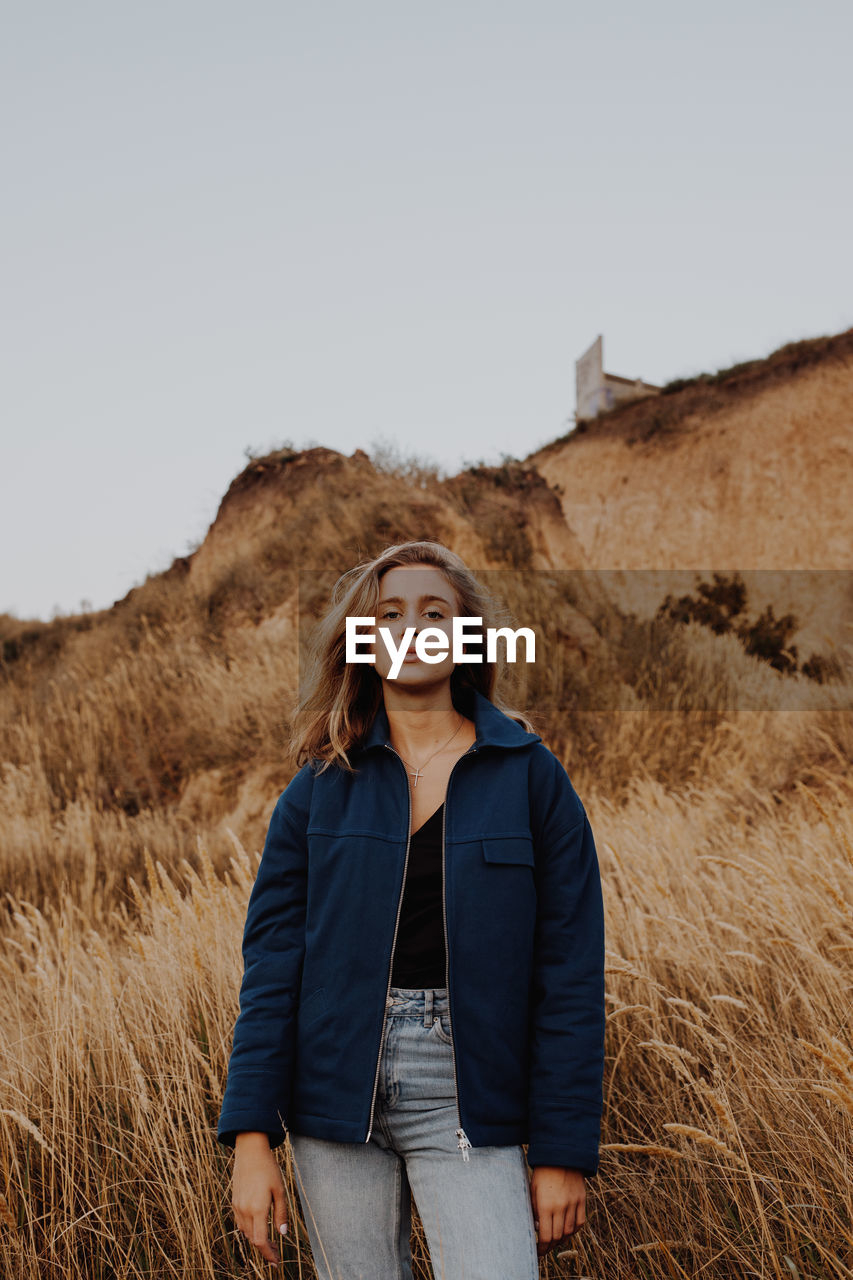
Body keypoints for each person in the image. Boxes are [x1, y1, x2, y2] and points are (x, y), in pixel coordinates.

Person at [217, 540, 606, 1278]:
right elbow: (273, 966)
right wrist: (250, 1136)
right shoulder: (319, 786)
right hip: (330, 1091)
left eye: (436, 612)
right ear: (363, 642)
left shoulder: (530, 777)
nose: (414, 627)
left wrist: (561, 1151)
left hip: (466, 1089)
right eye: (389, 614)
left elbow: (570, 973)